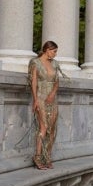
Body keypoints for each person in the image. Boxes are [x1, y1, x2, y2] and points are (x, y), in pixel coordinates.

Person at [29, 40, 62, 170]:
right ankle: (37, 156)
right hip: (41, 97)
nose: (55, 54)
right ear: (47, 50)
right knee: (43, 127)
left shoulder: (55, 64)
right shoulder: (35, 62)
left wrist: (53, 93)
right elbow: (33, 82)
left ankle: (47, 156)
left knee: (52, 129)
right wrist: (35, 99)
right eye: (54, 51)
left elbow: (57, 81)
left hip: (52, 99)